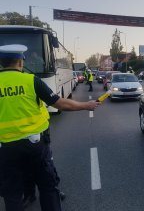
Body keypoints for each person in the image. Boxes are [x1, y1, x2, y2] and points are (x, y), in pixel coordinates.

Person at [0, 44, 99, 211]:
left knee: (12, 195)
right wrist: (86, 105)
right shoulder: (31, 80)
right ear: (20, 62)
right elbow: (60, 103)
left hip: (5, 148)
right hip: (35, 145)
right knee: (48, 187)